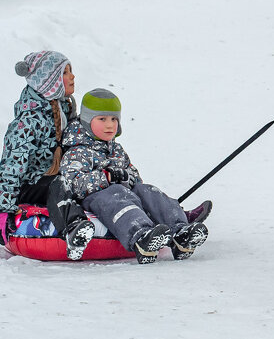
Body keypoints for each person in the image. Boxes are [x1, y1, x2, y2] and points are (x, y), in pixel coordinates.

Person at [59, 89, 209, 264]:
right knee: (116, 195)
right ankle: (141, 236)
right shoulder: (78, 151)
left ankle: (181, 232)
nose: (110, 125)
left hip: (123, 193)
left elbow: (134, 176)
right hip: (97, 198)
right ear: (86, 120)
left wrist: (128, 177)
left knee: (147, 191)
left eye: (114, 119)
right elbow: (72, 183)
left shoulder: (116, 149)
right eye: (102, 119)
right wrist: (106, 177)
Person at [0, 50, 92, 258]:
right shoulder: (28, 121)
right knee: (60, 184)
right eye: (65, 72)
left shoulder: (66, 110)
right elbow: (12, 166)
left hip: (58, 179)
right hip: (31, 185)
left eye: (71, 71)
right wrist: (4, 209)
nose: (72, 77)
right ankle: (74, 228)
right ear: (50, 81)